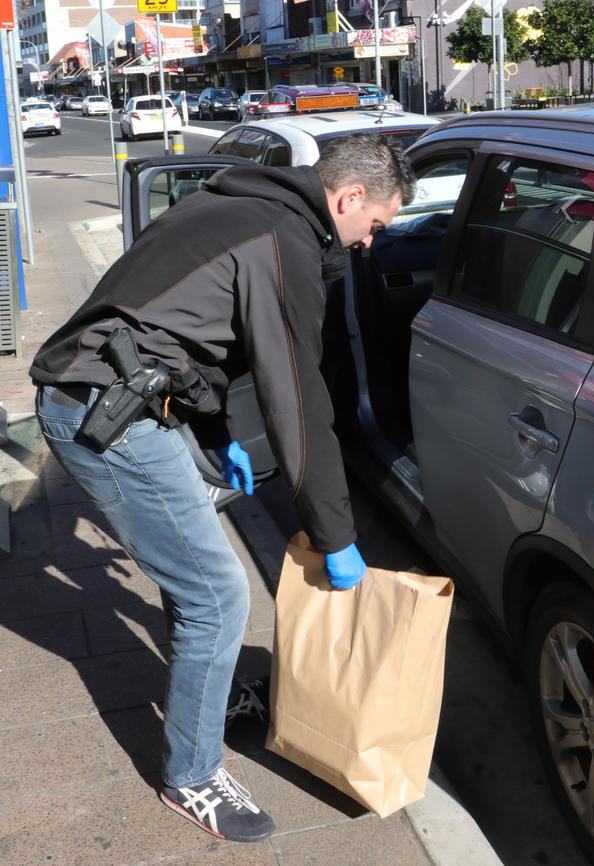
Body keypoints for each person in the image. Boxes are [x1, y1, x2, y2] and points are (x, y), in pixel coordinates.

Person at [30, 134, 416, 843]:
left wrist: (215, 437)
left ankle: (206, 695)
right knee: (217, 591)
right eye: (377, 226)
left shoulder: (237, 204)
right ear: (349, 197)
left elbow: (181, 328)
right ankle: (192, 774)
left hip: (118, 394)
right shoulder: (284, 241)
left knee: (199, 573)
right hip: (103, 413)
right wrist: (336, 536)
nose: (369, 243)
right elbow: (297, 399)